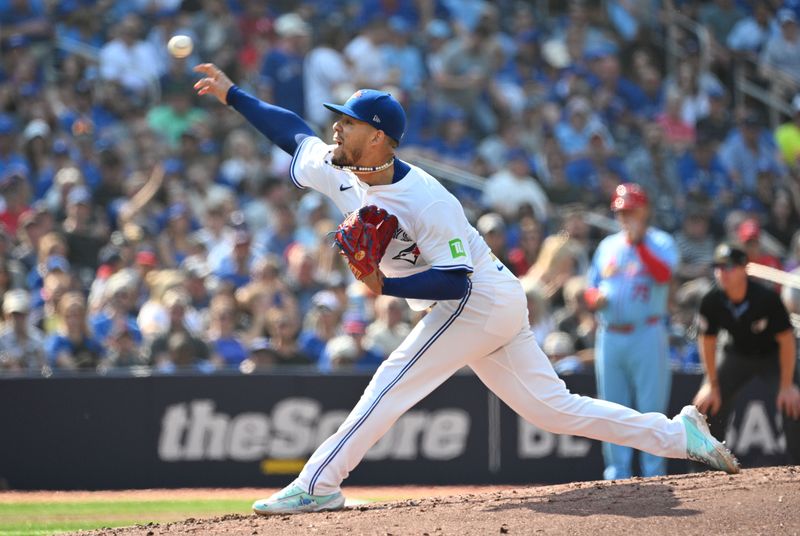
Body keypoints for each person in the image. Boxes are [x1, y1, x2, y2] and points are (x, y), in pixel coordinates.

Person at [192, 63, 739, 516]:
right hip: (486, 301)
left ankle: (317, 483)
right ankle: (679, 435)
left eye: (348, 122)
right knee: (556, 410)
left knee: (392, 382)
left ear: (377, 136)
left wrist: (382, 282)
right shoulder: (337, 168)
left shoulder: (426, 199)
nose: (336, 128)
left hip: (476, 299)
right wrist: (234, 94)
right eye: (338, 119)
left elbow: (457, 281)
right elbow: (291, 131)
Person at [585, 183, 679, 479]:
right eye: (621, 211)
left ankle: (654, 475)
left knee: (650, 411)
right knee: (612, 410)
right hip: (610, 334)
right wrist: (593, 299)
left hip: (646, 333)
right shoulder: (607, 246)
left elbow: (665, 275)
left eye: (631, 210)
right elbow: (589, 287)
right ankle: (617, 476)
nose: (626, 217)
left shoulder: (660, 242)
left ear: (645, 211)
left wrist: (639, 245)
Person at [693, 243, 800, 462]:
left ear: (744, 268)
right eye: (718, 267)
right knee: (708, 404)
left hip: (773, 356)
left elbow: (787, 341)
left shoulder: (766, 298)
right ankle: (707, 469)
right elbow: (707, 340)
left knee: (794, 403)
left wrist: (787, 385)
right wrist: (710, 384)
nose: (722, 273)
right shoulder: (711, 299)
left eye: (729, 267)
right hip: (736, 354)